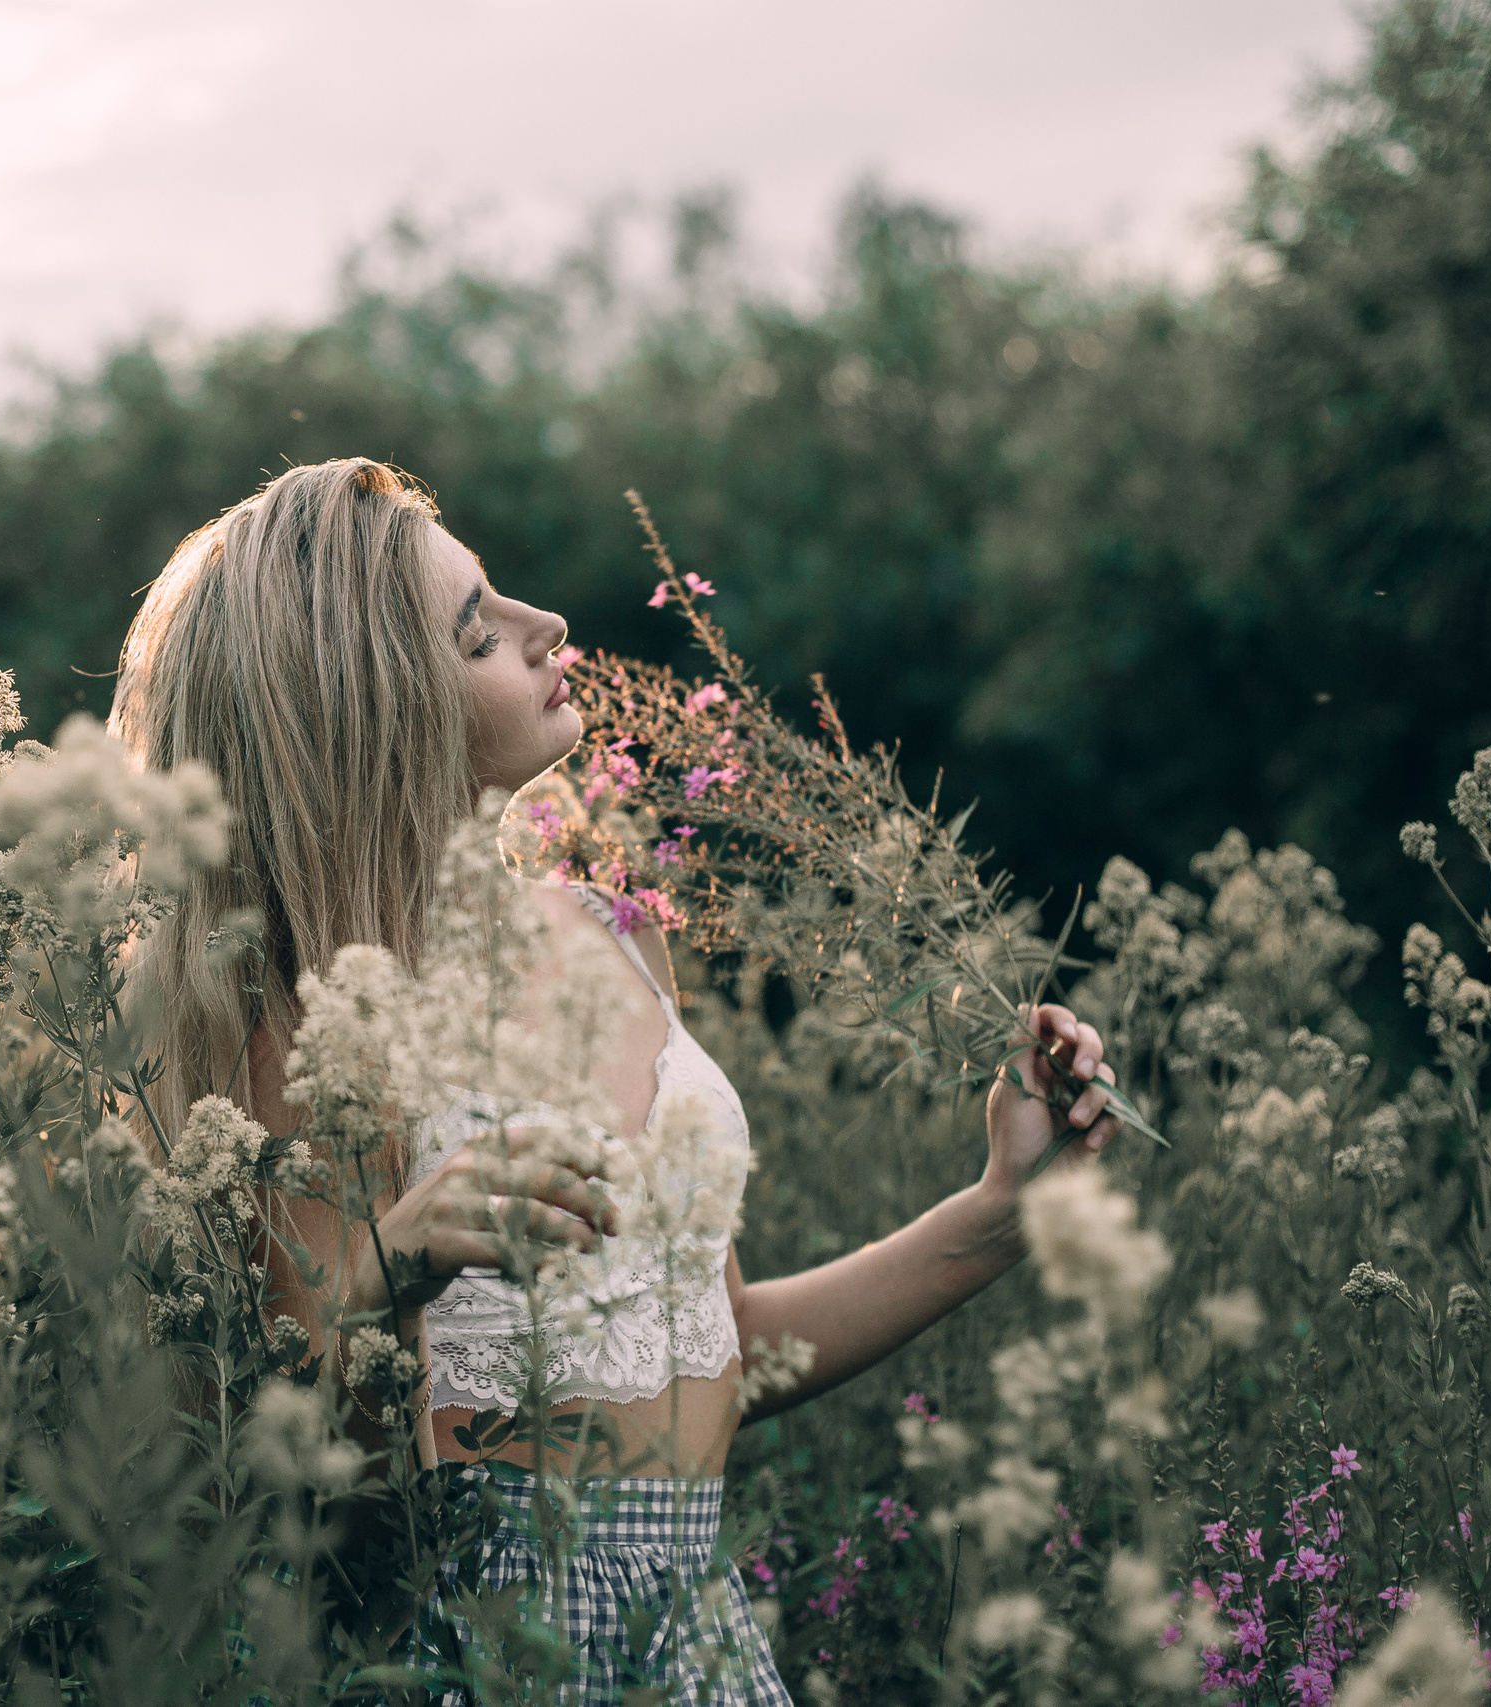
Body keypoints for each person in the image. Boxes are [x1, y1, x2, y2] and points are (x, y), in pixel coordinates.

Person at [111, 458, 1123, 1704]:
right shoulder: (300, 1023)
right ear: (373, 710)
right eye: (479, 633)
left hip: (700, 1643)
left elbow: (719, 1348)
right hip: (487, 1652)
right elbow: (299, 1493)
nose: (547, 626)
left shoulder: (615, 934)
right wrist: (390, 1276)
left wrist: (1002, 1210)